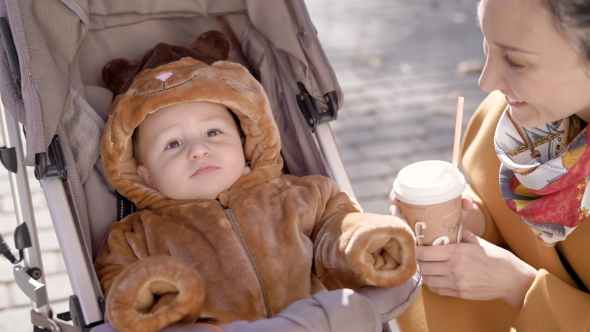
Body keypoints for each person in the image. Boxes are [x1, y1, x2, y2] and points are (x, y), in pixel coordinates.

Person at [95, 31, 420, 332]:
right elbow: (119, 280)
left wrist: (358, 244)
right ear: (145, 175)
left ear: (244, 142)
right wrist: (153, 292)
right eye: (173, 144)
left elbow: (337, 227)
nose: (199, 150)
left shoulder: (303, 195)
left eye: (213, 132)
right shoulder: (137, 237)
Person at [391, 0, 590, 331]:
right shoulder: (515, 118)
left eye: (515, 61)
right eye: (487, 43)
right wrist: (471, 219)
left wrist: (518, 286)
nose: (486, 81)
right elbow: (502, 209)